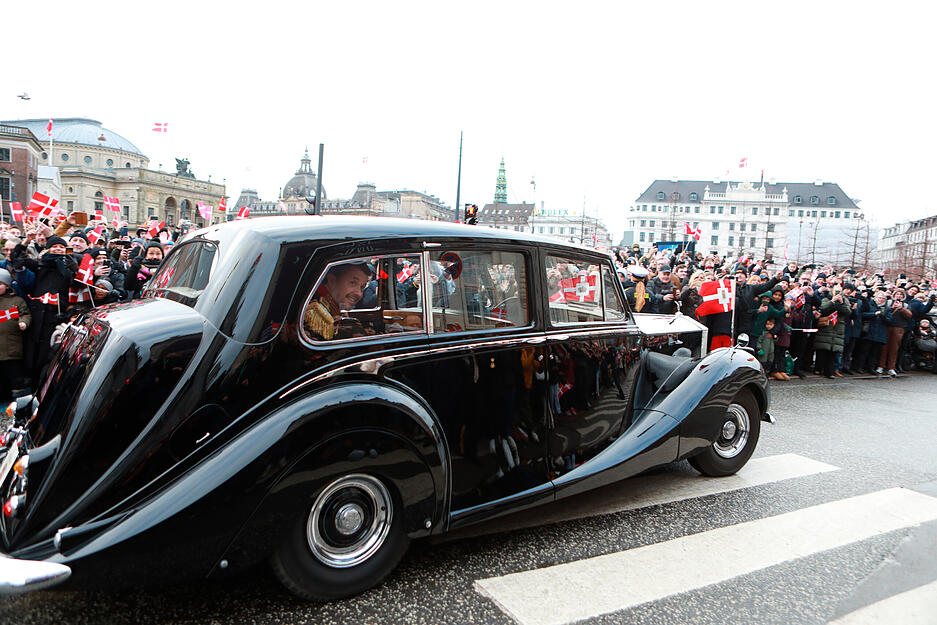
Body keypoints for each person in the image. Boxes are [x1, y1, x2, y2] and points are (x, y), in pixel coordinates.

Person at [303, 262, 373, 340]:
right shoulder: (314, 307)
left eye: (362, 287)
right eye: (353, 283)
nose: (359, 294)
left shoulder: (331, 301)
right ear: (332, 280)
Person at [0, 268, 31, 399]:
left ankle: (18, 399)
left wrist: (24, 322)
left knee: (15, 378)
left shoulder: (17, 301)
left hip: (12, 348)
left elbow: (25, 314)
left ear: (7, 286)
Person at [878, 288, 911, 376]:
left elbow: (909, 316)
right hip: (887, 326)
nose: (899, 296)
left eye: (901, 295)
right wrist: (891, 308)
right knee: (884, 347)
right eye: (897, 294)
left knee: (894, 348)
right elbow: (883, 312)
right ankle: (881, 366)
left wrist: (901, 309)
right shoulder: (888, 302)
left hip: (899, 328)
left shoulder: (906, 305)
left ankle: (891, 367)